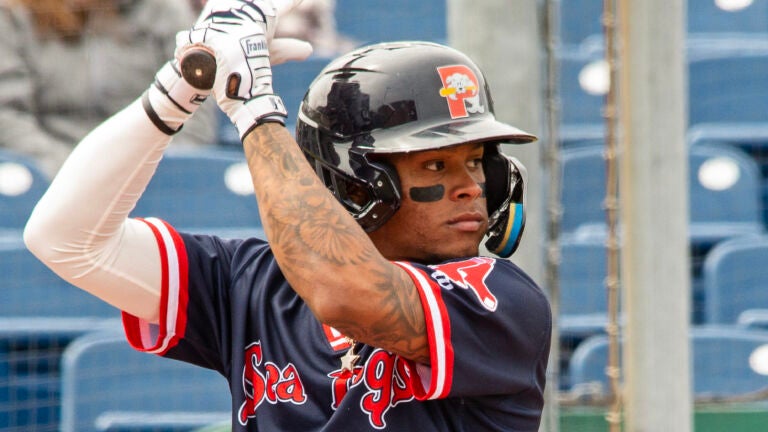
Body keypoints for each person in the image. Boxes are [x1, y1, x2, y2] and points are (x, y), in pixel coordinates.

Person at [24, 0, 552, 430]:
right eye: (437, 163)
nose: (472, 188)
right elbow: (65, 239)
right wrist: (180, 89)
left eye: (477, 162)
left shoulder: (500, 299)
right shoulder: (252, 282)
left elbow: (344, 296)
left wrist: (252, 108)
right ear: (355, 180)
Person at [0, 0, 218, 177]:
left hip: (152, 175)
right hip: (50, 176)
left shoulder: (166, 12)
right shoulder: (14, 17)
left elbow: (195, 114)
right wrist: (72, 172)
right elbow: (8, 115)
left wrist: (142, 174)